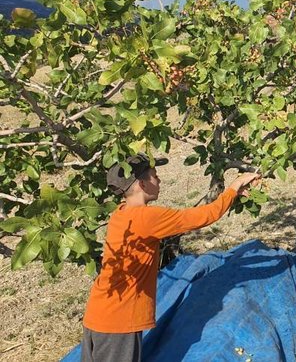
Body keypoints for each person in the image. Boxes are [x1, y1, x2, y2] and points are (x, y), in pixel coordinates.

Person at [81, 152, 260, 362]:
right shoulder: (147, 218)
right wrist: (235, 186)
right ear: (142, 184)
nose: (159, 180)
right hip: (118, 323)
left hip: (97, 315)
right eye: (155, 175)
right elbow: (205, 216)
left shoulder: (120, 214)